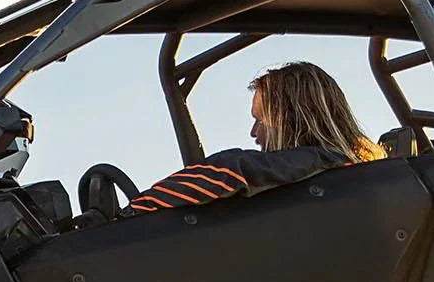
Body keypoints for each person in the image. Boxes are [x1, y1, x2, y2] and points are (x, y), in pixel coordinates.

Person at [123, 62, 385, 216]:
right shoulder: (355, 169)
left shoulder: (317, 165)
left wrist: (131, 213)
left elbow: (231, 171)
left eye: (260, 120)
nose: (254, 133)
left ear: (290, 119)